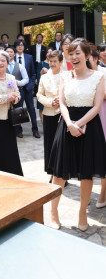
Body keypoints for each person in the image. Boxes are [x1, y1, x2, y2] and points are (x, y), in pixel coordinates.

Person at [48, 38, 106, 231]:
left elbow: (97, 106)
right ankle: (53, 212)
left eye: (77, 53)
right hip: (66, 124)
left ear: (87, 55)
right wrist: (70, 124)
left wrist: (79, 124)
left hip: (89, 125)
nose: (73, 57)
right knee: (59, 173)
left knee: (86, 173)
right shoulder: (64, 76)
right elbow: (62, 102)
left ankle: (82, 213)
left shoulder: (98, 77)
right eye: (70, 53)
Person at [36, 50, 63, 173]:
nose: (52, 64)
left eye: (55, 61)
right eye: (50, 61)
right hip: (49, 113)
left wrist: (61, 100)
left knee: (62, 145)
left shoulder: (67, 75)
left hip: (63, 114)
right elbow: (39, 95)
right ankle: (52, 172)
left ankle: (63, 173)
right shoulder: (44, 77)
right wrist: (50, 102)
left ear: (61, 62)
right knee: (50, 144)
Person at [88, 45, 106, 208]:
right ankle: (87, 193)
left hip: (103, 113)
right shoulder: (83, 74)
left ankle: (103, 193)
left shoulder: (102, 73)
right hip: (90, 115)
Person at [14, 39, 40, 138]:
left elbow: (33, 73)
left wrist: (32, 84)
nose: (20, 47)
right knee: (18, 110)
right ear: (15, 47)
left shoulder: (29, 57)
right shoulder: (13, 58)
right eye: (18, 45)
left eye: (22, 45)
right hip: (17, 88)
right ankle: (18, 130)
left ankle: (35, 130)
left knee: (31, 109)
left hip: (28, 88)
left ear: (24, 47)